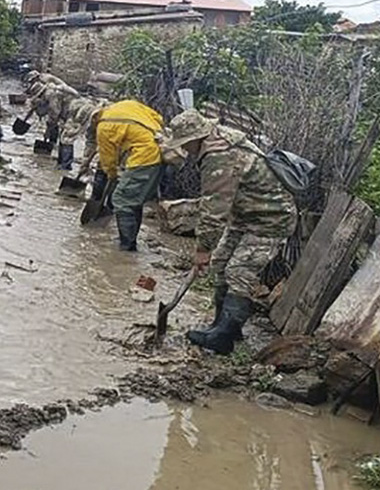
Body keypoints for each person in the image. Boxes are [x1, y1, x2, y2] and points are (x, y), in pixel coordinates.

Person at [161, 109, 295, 355]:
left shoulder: (219, 156)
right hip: (245, 214)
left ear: (194, 139)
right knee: (220, 262)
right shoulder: (218, 136)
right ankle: (223, 325)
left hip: (270, 218)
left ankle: (223, 338)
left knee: (238, 272)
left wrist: (202, 250)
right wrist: (209, 252)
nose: (185, 150)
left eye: (184, 144)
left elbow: (214, 210)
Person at [93, 99, 164, 251]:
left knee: (121, 199)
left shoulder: (103, 127)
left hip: (145, 157)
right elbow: (158, 117)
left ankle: (127, 247)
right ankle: (129, 238)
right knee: (134, 199)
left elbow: (108, 160)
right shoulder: (127, 105)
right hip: (160, 146)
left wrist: (112, 174)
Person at [57, 96, 106, 172]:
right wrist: (85, 161)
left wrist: (86, 162)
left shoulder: (104, 123)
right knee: (67, 138)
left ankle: (66, 164)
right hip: (77, 115)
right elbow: (90, 142)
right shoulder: (80, 110)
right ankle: (65, 164)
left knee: (68, 139)